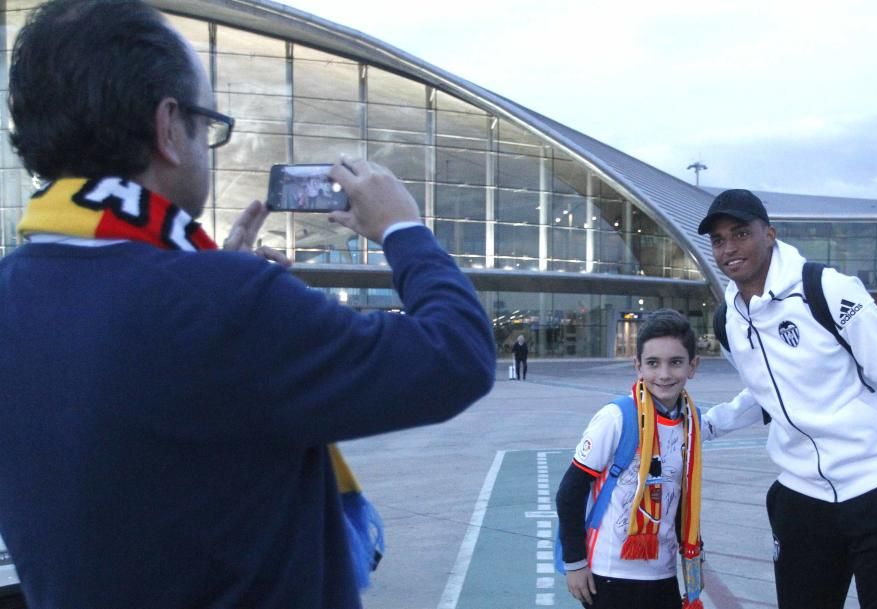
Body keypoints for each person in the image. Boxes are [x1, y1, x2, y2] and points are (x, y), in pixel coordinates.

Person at [0, 2, 495, 609]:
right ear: (168, 128)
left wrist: (215, 279)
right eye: (209, 127)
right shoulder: (221, 305)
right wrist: (404, 231)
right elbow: (456, 357)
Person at [698, 189, 877, 609]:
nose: (729, 248)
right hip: (800, 498)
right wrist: (709, 424)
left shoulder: (826, 289)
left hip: (876, 488)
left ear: (769, 234)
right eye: (718, 240)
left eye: (740, 233)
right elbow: (766, 389)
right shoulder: (729, 319)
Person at [556, 310, 705, 609]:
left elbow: (678, 497)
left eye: (675, 362)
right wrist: (574, 563)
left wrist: (691, 558)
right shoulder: (616, 417)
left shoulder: (691, 420)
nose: (664, 374)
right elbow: (570, 492)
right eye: (653, 363)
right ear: (638, 366)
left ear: (693, 366)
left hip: (662, 573)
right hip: (610, 574)